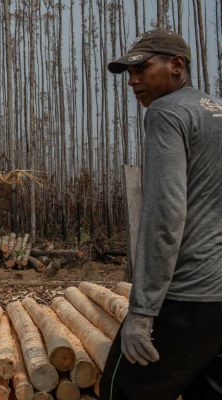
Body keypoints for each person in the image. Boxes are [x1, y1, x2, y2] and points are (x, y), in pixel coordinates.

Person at [101, 29, 222, 399]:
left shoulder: (167, 113)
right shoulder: (215, 113)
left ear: (176, 66)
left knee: (119, 391)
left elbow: (164, 215)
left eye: (141, 69)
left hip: (187, 297)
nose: (133, 81)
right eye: (128, 73)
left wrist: (142, 311)